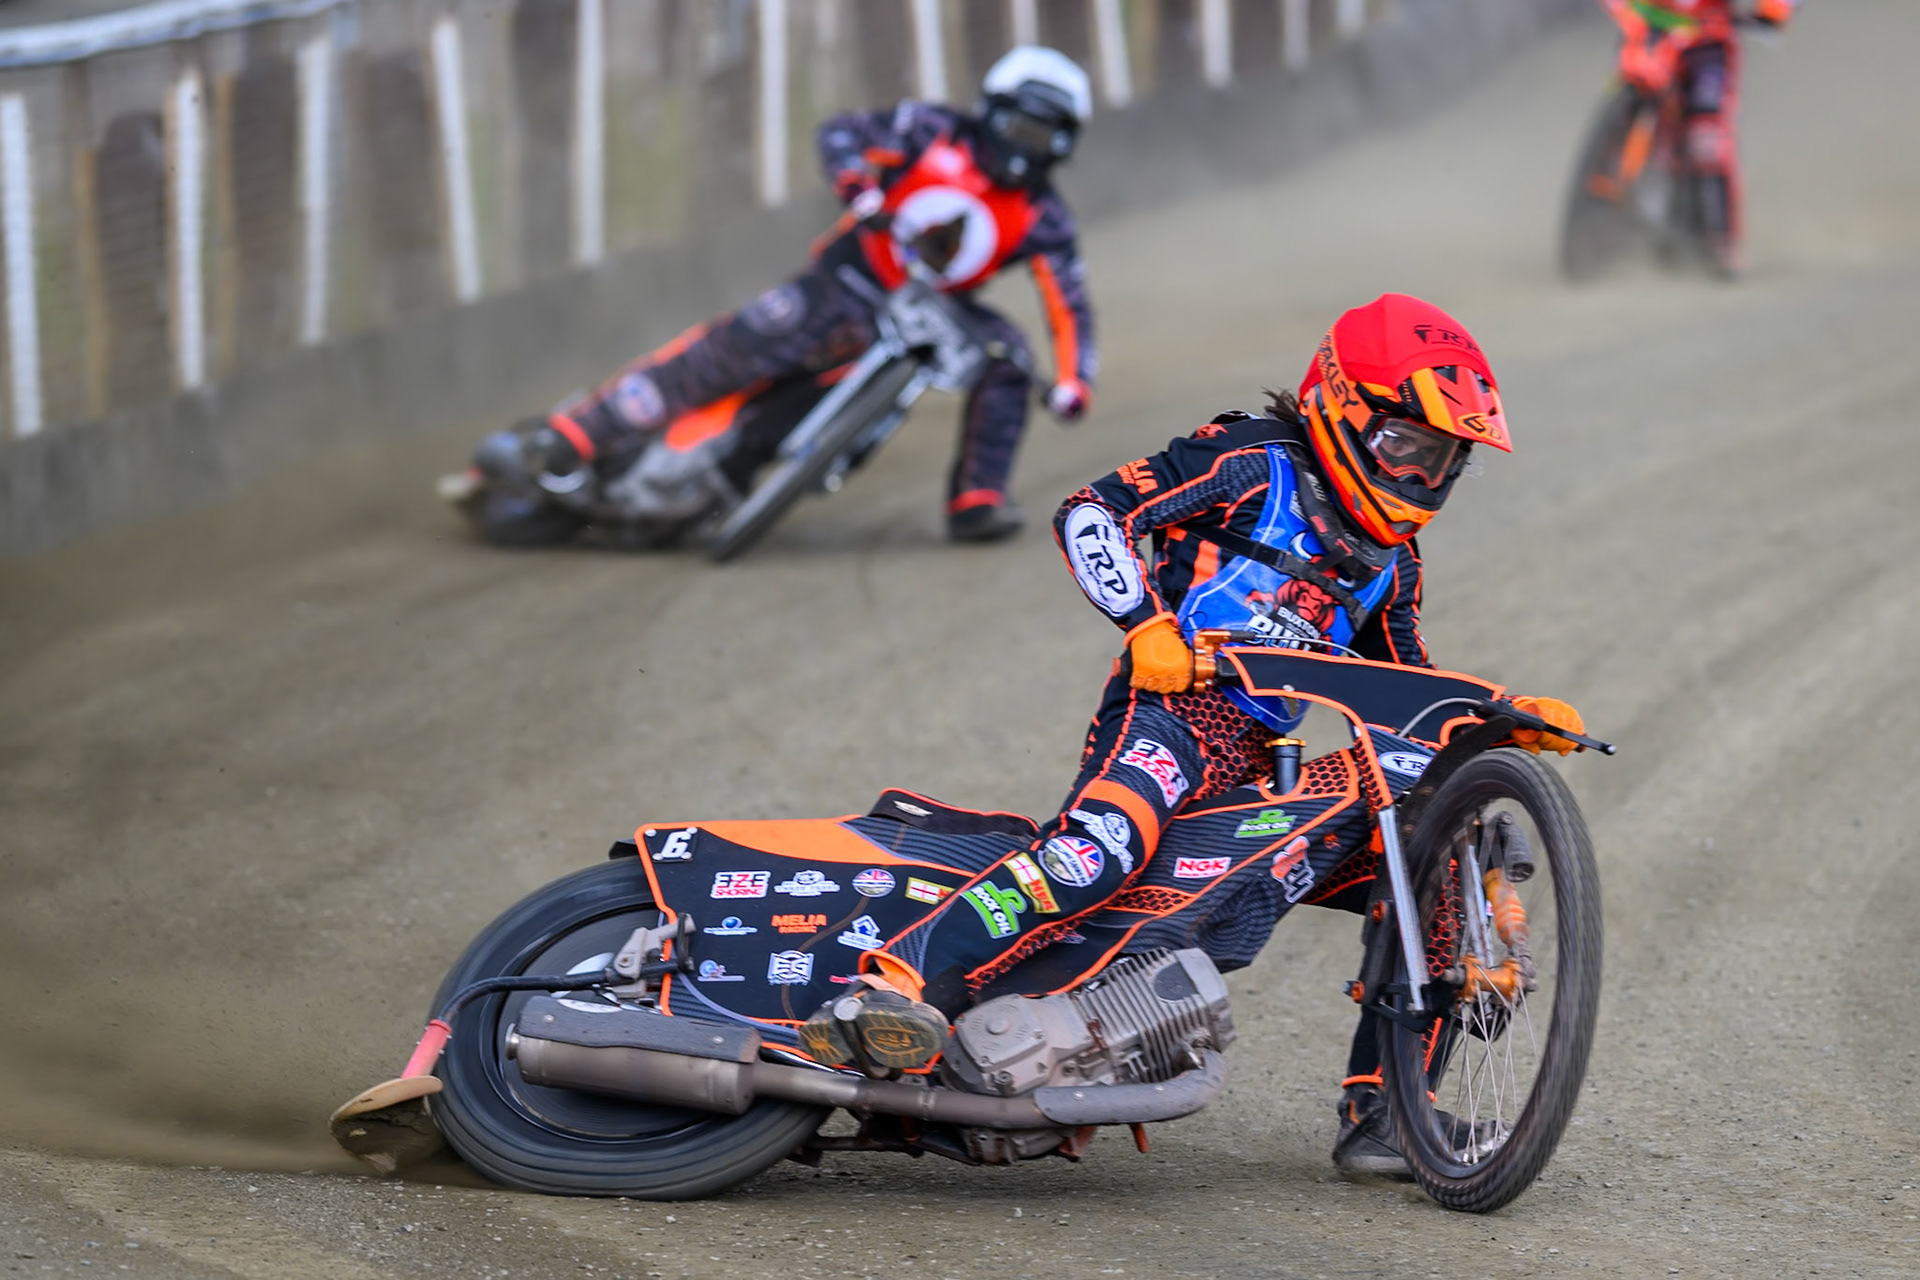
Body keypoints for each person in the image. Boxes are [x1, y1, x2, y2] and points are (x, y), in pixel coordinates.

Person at [799, 294, 1585, 1177]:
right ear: (1341, 405)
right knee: (1098, 850)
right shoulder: (1253, 462)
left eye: (1446, 458)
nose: (1422, 476)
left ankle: (1391, 1118)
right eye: (1407, 444)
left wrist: (1501, 717)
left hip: (1259, 763)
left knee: (1431, 852)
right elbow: (1092, 514)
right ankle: (890, 984)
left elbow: (1406, 689)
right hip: (1168, 715)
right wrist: (1143, 624)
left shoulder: (1394, 561)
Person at [535, 46, 1099, 543]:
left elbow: (1068, 305)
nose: (1025, 149)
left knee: (1010, 361)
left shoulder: (1047, 219)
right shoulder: (929, 129)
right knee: (735, 350)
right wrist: (856, 185)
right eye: (1020, 127)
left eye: (1043, 136)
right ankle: (580, 432)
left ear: (1065, 145)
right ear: (991, 111)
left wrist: (1075, 382)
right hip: (849, 276)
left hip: (938, 311)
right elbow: (840, 133)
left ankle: (977, 500)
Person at [1605, 0, 1800, 275]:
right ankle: (1609, 208)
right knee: (1627, 96)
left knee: (1707, 137)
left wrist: (1776, 11)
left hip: (1709, 36)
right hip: (1647, 24)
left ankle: (1721, 237)